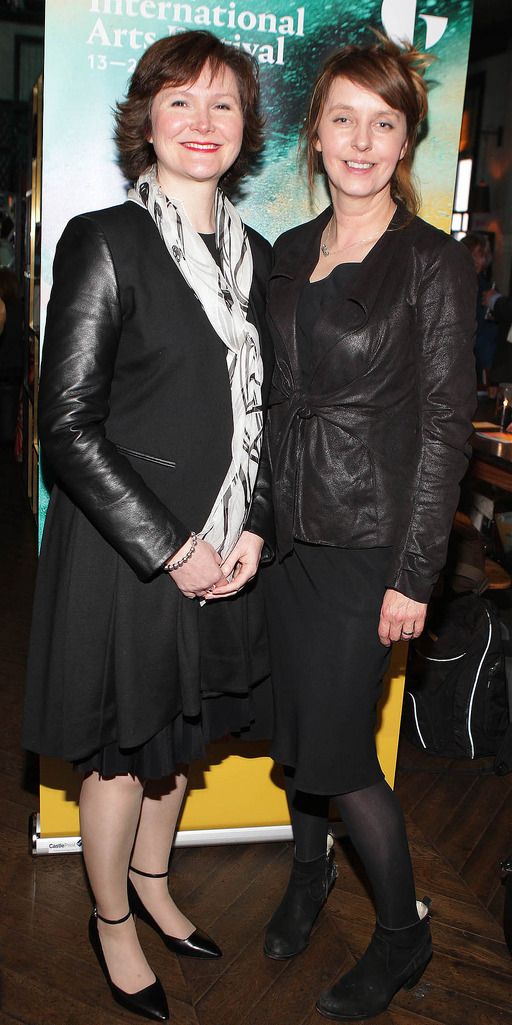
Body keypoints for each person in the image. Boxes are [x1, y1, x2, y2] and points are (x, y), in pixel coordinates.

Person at [23, 31, 273, 1023]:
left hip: (228, 548)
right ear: (147, 121)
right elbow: (67, 425)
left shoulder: (254, 257)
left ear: (244, 126)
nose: (203, 123)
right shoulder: (104, 239)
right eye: (181, 103)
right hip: (132, 553)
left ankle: (159, 882)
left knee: (181, 733)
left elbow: (270, 412)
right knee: (124, 750)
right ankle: (113, 916)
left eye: (223, 105)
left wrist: (251, 523)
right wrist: (173, 546)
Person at [263, 37, 476, 1021]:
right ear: (314, 133)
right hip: (287, 538)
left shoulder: (431, 264)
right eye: (341, 117)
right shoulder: (285, 252)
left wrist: (412, 576)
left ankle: (401, 933)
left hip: (364, 547)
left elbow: (442, 432)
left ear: (405, 142)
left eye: (382, 123)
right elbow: (261, 399)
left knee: (344, 754)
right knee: (297, 730)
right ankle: (308, 874)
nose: (360, 139)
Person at [461, 232, 497, 388]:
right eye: (473, 254)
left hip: (475, 362)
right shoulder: (454, 281)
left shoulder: (485, 287)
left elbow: (486, 332)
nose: (477, 260)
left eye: (481, 255)